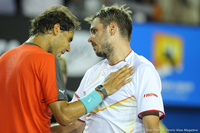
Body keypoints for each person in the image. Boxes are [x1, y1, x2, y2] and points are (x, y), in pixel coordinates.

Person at [0, 5, 134, 133]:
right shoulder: (46, 60)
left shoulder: (4, 58)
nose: (68, 48)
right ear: (56, 29)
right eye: (69, 39)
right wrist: (104, 90)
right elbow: (64, 116)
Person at [52, 4, 165, 133]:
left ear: (112, 28)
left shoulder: (143, 69)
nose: (90, 39)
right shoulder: (91, 73)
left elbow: (152, 129)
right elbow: (75, 126)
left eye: (94, 31)